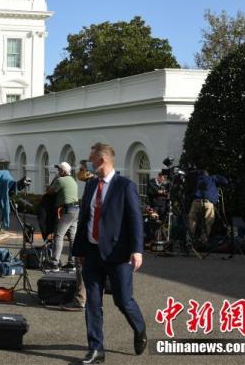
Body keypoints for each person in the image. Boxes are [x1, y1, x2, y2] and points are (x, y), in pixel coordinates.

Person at [71, 143, 146, 364]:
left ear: (101, 160)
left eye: (91, 159)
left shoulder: (125, 186)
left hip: (118, 255)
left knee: (123, 301)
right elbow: (85, 218)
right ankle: (96, 349)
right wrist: (79, 250)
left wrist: (137, 250)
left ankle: (140, 328)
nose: (88, 163)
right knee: (93, 303)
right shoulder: (91, 185)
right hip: (92, 253)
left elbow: (135, 220)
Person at [47, 162, 79, 271]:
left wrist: (55, 179)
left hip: (67, 211)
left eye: (59, 170)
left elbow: (49, 191)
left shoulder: (60, 180)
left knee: (58, 236)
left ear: (64, 171)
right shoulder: (73, 180)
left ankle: (54, 263)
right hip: (76, 211)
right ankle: (72, 263)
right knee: (72, 238)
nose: (58, 172)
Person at [188, 170, 228, 243]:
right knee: (208, 221)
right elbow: (225, 181)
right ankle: (203, 240)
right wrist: (217, 176)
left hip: (195, 202)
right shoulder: (212, 178)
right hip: (208, 203)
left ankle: (189, 240)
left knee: (192, 220)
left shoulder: (197, 179)